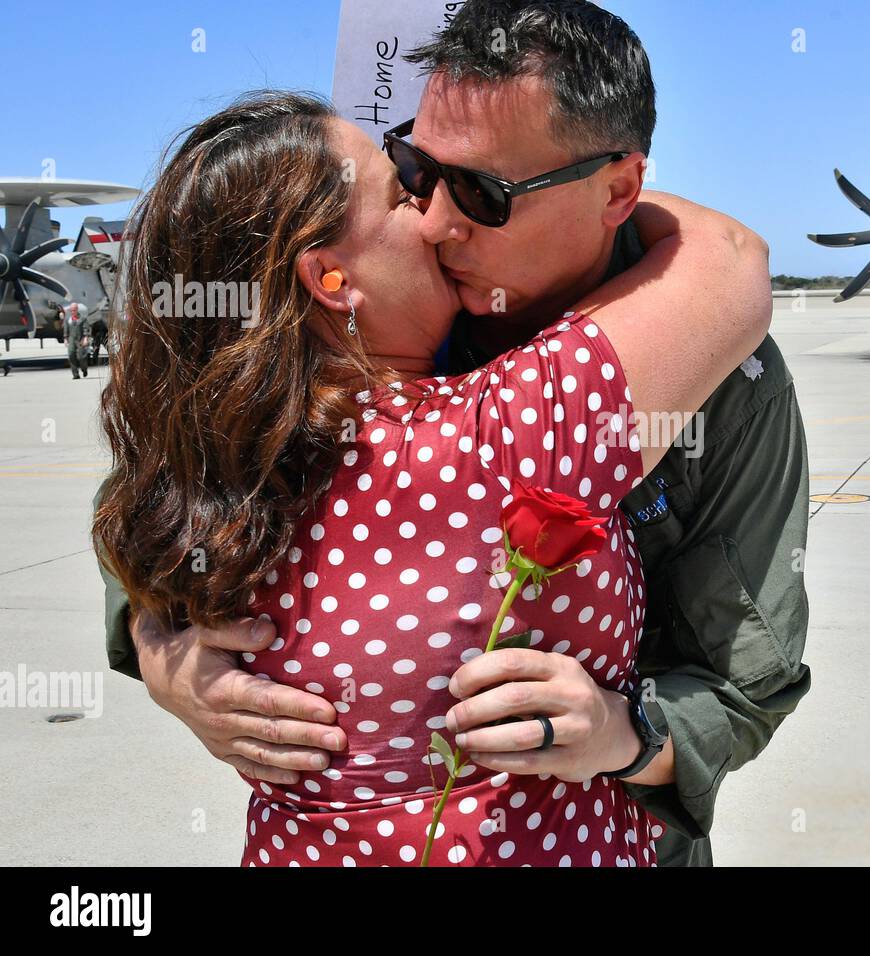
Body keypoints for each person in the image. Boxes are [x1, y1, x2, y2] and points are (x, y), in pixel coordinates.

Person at [99, 0, 811, 867]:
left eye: (481, 192)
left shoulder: (727, 385)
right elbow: (172, 489)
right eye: (415, 172)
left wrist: (627, 732)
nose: (436, 219)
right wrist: (162, 646)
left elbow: (745, 683)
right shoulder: (427, 360)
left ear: (619, 190)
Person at [65, 302, 90, 378]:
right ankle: (75, 374)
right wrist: (65, 339)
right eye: (71, 310)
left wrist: (85, 338)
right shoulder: (68, 320)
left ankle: (84, 369)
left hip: (80, 339)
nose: (73, 312)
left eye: (74, 310)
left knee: (81, 357)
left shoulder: (82, 319)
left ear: (77, 310)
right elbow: (66, 330)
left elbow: (86, 329)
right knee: (71, 355)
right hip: (71, 339)